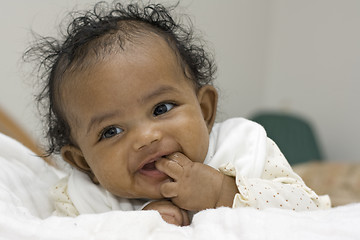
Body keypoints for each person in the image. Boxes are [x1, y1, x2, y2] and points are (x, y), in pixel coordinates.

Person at [25, 1, 330, 226]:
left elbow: (311, 214)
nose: (146, 137)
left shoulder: (242, 150)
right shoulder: (85, 200)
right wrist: (138, 226)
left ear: (205, 109)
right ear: (83, 161)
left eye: (162, 108)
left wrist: (221, 191)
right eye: (111, 131)